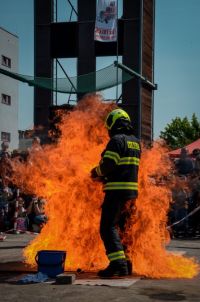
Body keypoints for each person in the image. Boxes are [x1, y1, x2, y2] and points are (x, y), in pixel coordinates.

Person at [91, 108, 141, 277]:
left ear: (113, 123)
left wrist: (95, 172)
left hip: (116, 192)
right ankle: (127, 263)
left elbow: (109, 165)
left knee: (107, 227)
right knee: (124, 228)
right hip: (131, 193)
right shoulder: (135, 142)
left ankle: (117, 264)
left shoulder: (116, 140)